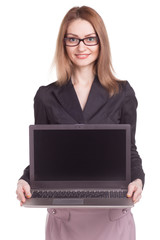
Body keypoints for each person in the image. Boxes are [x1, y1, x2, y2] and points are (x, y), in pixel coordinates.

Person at [16, 6, 145, 240]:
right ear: (63, 43)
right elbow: (44, 156)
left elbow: (130, 150)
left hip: (111, 215)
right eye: (73, 39)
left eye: (89, 39)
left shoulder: (123, 93)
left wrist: (138, 179)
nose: (81, 47)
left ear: (101, 42)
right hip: (65, 217)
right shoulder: (46, 96)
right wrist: (25, 180)